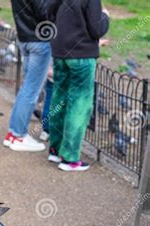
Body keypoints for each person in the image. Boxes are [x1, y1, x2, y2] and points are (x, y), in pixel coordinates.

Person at [47, 0, 109, 171]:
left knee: (59, 98)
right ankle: (69, 158)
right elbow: (97, 28)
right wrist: (105, 16)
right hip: (81, 54)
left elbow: (49, 13)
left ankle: (55, 149)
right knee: (79, 104)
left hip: (60, 51)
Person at [2, 0, 50, 152]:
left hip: (25, 37)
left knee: (27, 88)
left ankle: (13, 133)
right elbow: (45, 12)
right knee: (31, 91)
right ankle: (19, 135)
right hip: (39, 40)